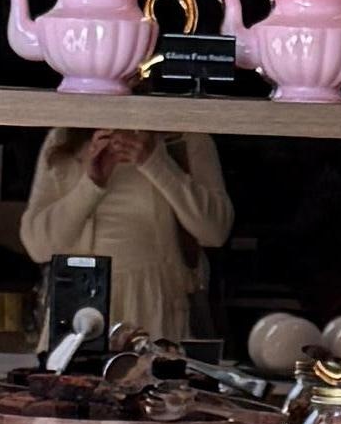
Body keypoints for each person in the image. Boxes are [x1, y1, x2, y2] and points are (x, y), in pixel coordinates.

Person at [18, 126, 230, 349]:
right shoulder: (64, 137)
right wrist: (91, 185)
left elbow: (215, 232)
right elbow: (38, 246)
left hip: (156, 303)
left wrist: (155, 163)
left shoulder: (185, 138)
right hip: (81, 307)